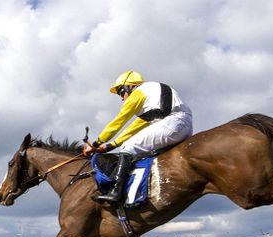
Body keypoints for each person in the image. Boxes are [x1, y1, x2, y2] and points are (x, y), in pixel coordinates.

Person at [83, 70, 193, 203]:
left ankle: (115, 192)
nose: (121, 98)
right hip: (184, 126)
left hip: (171, 124)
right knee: (139, 149)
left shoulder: (138, 93)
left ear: (129, 86)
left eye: (120, 92)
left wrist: (95, 144)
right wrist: (110, 145)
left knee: (128, 147)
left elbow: (118, 121)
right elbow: (135, 127)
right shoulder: (150, 97)